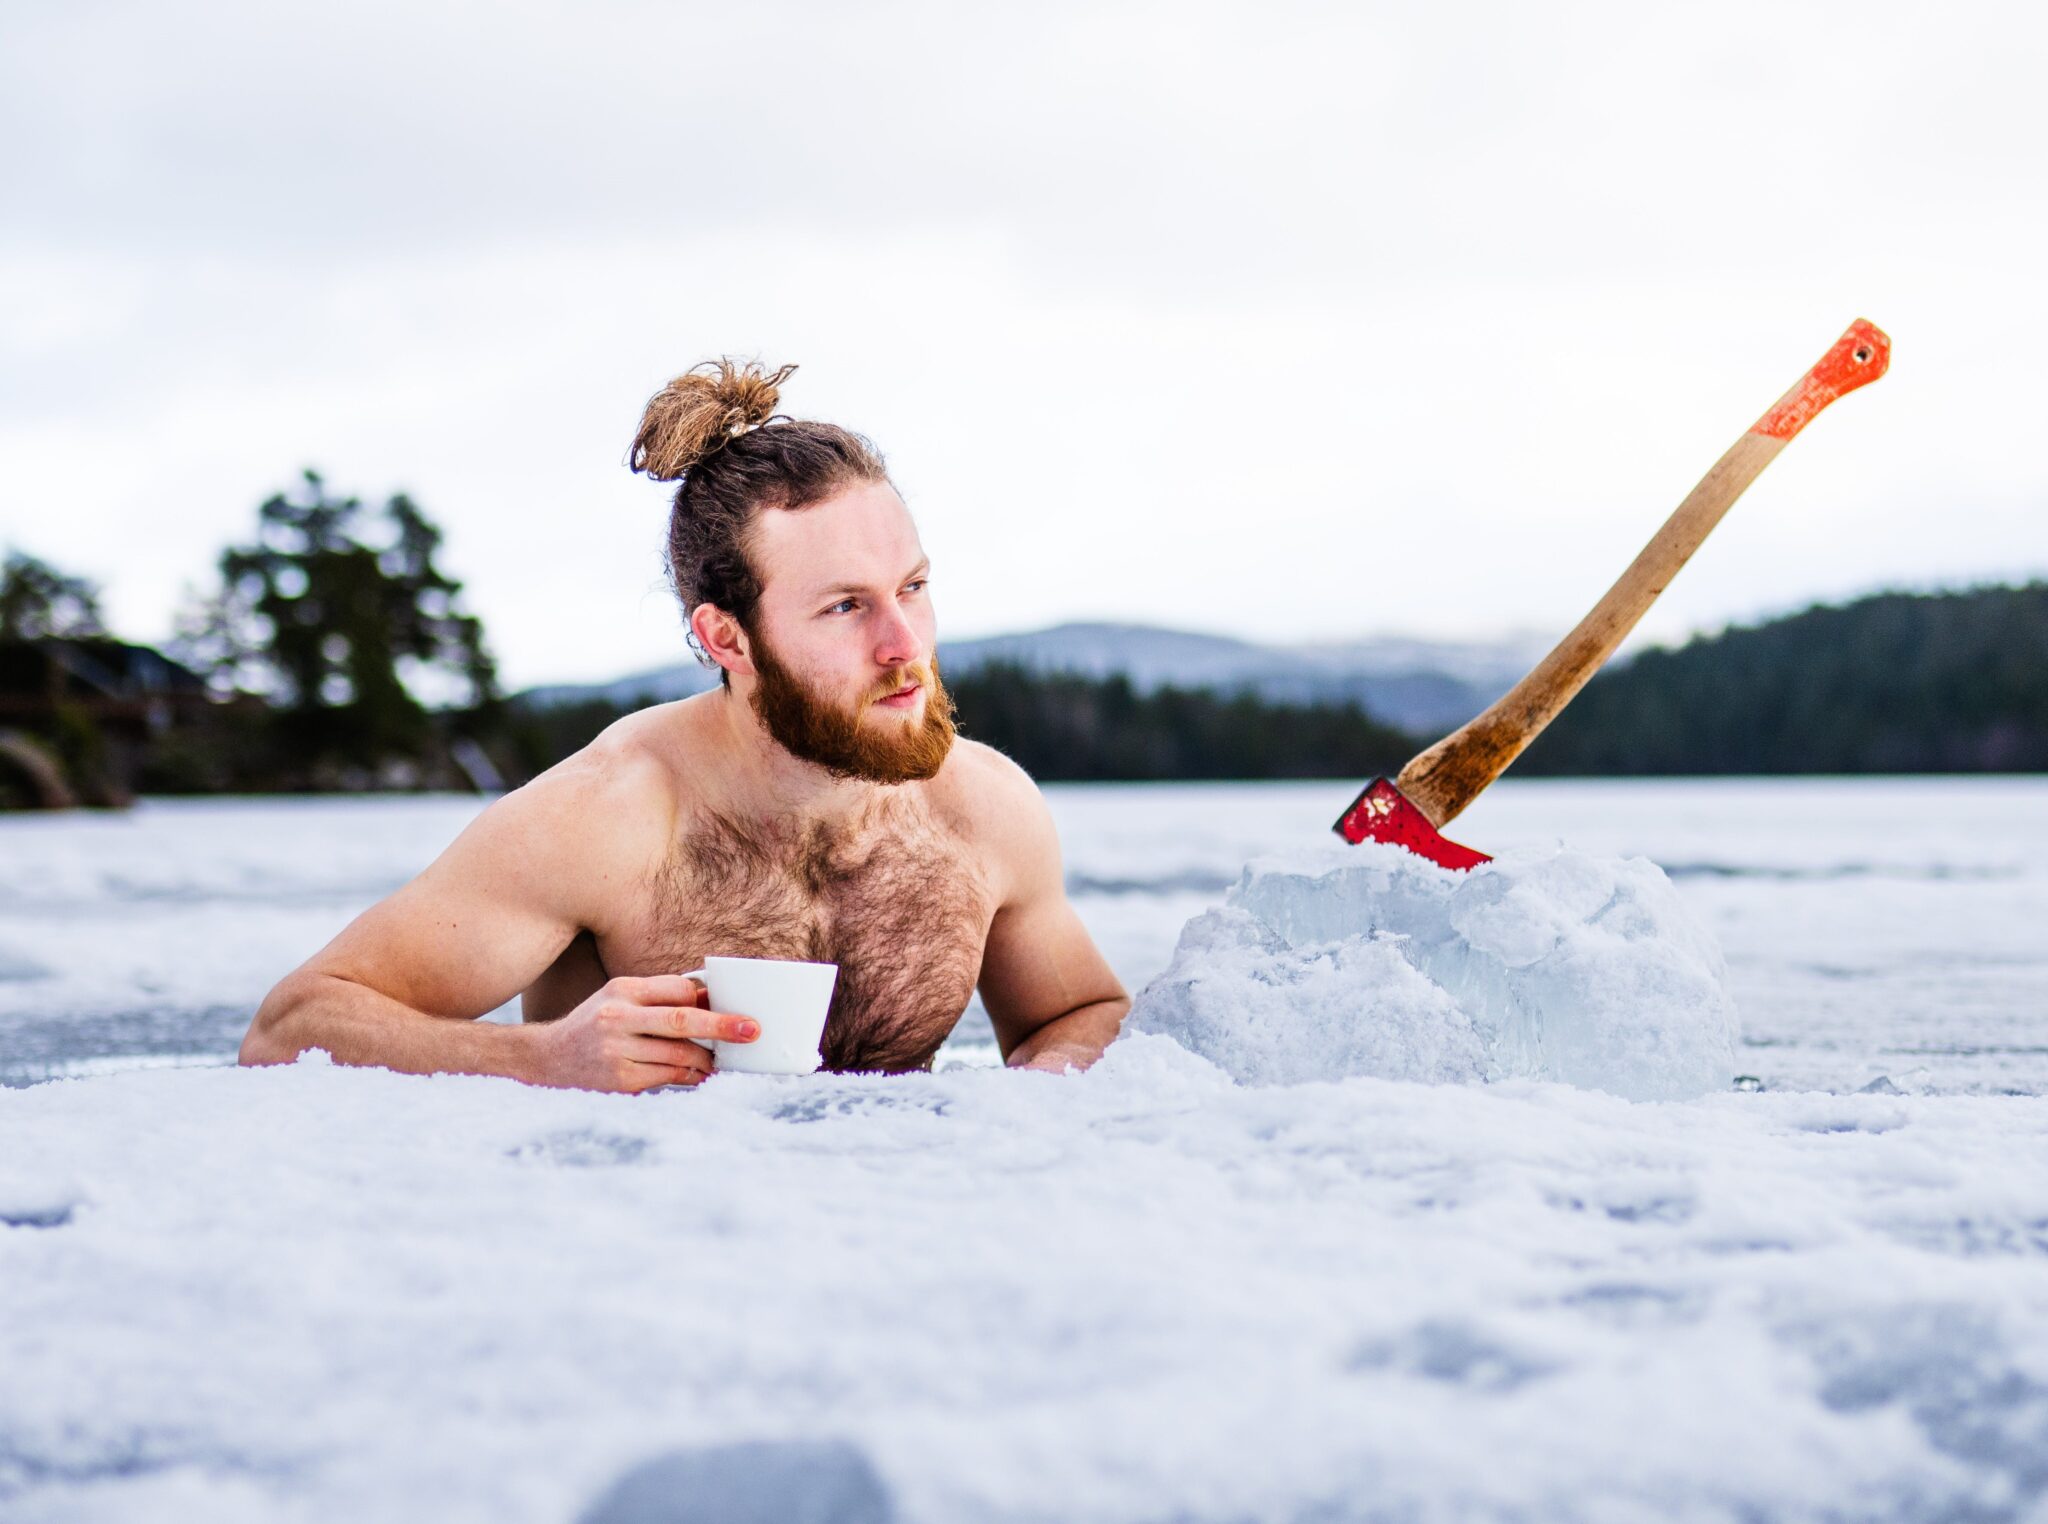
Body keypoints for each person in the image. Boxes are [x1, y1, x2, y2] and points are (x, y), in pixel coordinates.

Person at [240, 360, 1130, 1091]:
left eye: (913, 589)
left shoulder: (984, 809)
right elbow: (291, 1027)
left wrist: (1035, 1106)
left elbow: (1077, 1015)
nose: (905, 646)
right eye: (845, 607)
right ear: (726, 638)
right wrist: (538, 1060)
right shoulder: (608, 819)